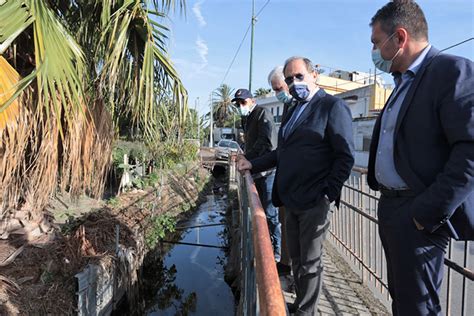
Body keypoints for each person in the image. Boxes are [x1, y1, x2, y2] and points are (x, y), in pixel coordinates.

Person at [367, 1, 474, 315]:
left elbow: (470, 150)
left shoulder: (451, 71)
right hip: (393, 207)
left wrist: (426, 212)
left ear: (399, 38)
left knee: (418, 308)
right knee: (403, 301)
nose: (374, 51)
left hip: (418, 213)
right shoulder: (402, 83)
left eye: (376, 42)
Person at [237, 57, 354, 315]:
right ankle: (301, 304)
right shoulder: (292, 110)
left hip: (314, 202)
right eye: (289, 79)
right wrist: (252, 165)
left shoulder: (332, 107)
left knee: (311, 264)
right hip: (290, 199)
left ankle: (306, 312)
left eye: (298, 76)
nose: (293, 83)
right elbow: (281, 153)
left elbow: (345, 157)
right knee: (298, 261)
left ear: (315, 75)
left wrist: (327, 193)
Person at [232, 88, 282, 263]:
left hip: (267, 171)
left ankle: (276, 251)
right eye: (238, 104)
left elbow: (266, 143)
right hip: (256, 171)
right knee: (259, 211)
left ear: (251, 100)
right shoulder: (247, 118)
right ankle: (263, 245)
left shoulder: (263, 113)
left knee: (269, 213)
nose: (240, 106)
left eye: (243, 102)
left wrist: (248, 157)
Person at [267, 66, 294, 276]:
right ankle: (285, 263)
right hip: (286, 184)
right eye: (275, 90)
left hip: (304, 190)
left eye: (279, 88)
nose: (278, 93)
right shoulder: (288, 108)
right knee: (285, 225)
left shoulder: (322, 105)